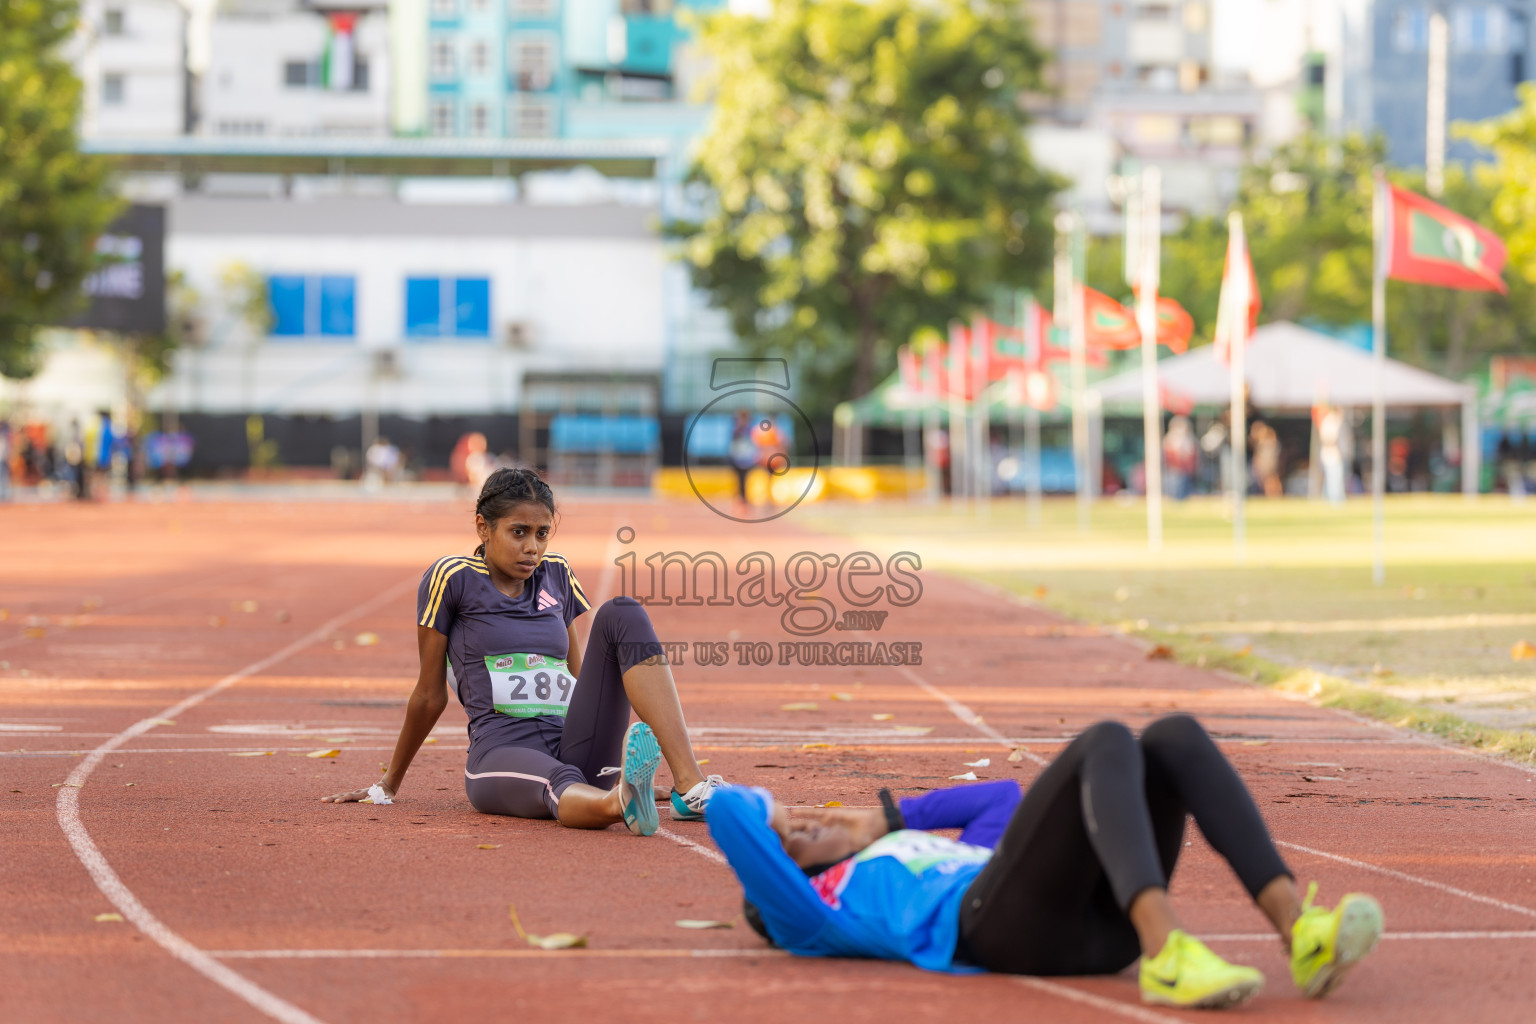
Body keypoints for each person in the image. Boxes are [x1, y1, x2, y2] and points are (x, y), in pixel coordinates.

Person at [708, 715, 1381, 1010]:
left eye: (803, 815)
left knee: (1172, 735)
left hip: (1081, 922)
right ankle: (1167, 950)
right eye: (794, 836)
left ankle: (1301, 933)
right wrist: (771, 820)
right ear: (786, 879)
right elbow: (726, 811)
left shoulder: (919, 852)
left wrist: (887, 817)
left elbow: (999, 799)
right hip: (997, 930)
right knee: (1105, 740)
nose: (810, 819)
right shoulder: (815, 915)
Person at [323, 467, 727, 835]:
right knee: (556, 781)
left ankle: (688, 786)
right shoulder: (453, 579)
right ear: (484, 527)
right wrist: (387, 784)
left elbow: (581, 678)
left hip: (574, 744)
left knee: (624, 612)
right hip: (503, 752)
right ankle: (618, 801)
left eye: (542, 533)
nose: (532, 547)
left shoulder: (557, 574)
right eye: (518, 532)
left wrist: (599, 734)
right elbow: (430, 693)